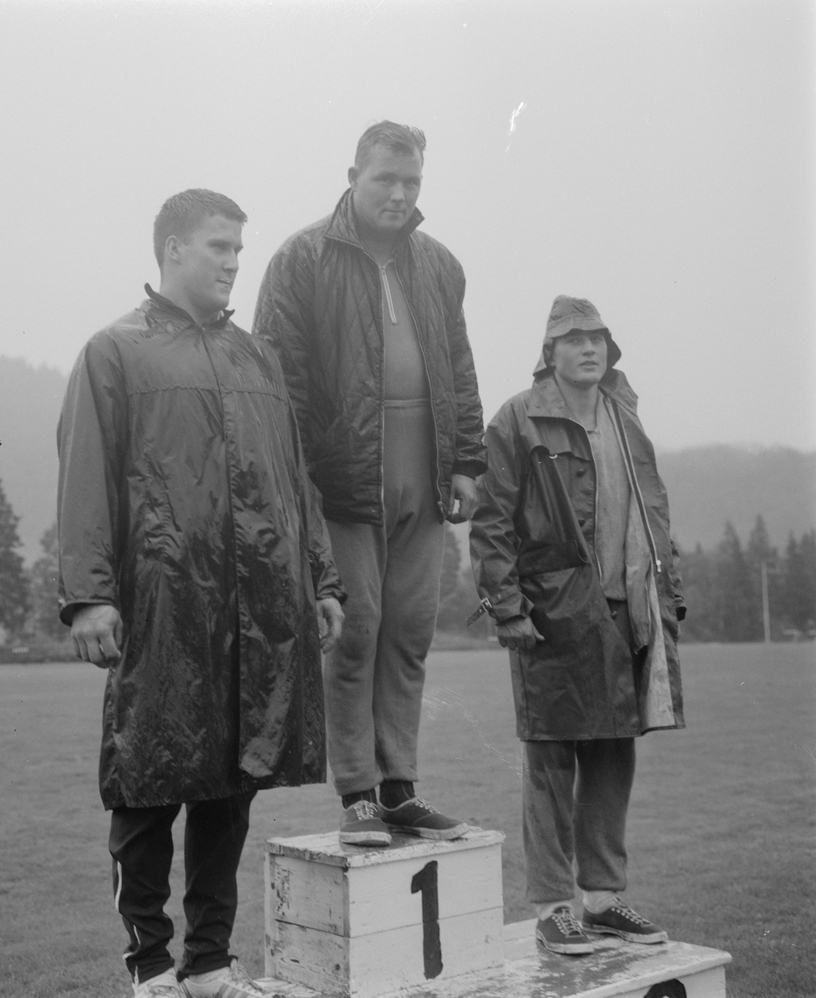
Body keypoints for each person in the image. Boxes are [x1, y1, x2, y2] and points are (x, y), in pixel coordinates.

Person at [57, 189, 345, 998]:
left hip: (258, 605)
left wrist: (320, 577)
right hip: (160, 601)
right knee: (148, 781)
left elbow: (295, 479)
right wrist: (88, 595)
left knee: (233, 781)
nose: (232, 263)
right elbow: (84, 478)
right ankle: (149, 968)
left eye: (238, 250)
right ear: (173, 248)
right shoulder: (112, 352)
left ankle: (210, 963)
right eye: (219, 247)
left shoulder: (258, 357)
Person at [254, 122, 486, 847]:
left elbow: (460, 367)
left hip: (425, 472)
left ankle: (400, 788)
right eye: (385, 178)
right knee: (354, 634)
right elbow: (277, 380)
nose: (398, 193)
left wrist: (468, 463)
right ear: (353, 173)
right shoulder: (301, 258)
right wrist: (295, 483)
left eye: (411, 181)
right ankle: (356, 795)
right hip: (341, 481)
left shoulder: (440, 264)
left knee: (411, 632)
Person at [470, 295, 686, 955]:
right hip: (552, 614)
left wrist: (668, 594)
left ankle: (604, 901)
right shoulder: (518, 419)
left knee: (613, 756)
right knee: (549, 760)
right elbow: (491, 522)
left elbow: (653, 508)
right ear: (550, 352)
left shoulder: (627, 418)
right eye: (574, 339)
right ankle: (553, 907)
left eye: (598, 338)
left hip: (629, 614)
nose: (589, 348)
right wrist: (508, 609)